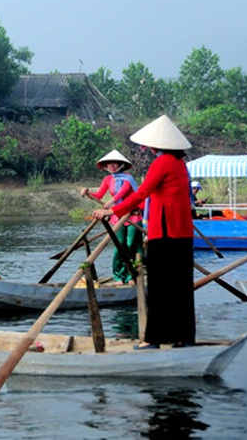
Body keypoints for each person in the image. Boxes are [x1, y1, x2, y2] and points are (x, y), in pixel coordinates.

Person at [92, 115, 195, 349]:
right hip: (182, 233)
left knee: (159, 289)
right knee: (180, 287)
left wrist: (112, 211)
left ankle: (156, 339)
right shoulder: (179, 163)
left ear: (154, 145)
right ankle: (183, 337)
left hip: (166, 233)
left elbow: (142, 193)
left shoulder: (162, 163)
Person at [80, 149, 142, 285]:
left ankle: (132, 275)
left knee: (131, 244)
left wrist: (111, 202)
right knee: (119, 245)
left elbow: (122, 193)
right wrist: (88, 192)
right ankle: (119, 276)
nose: (112, 166)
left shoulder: (128, 178)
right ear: (106, 166)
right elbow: (99, 195)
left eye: (115, 164)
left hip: (133, 217)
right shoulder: (108, 179)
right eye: (109, 164)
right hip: (117, 217)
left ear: (121, 164)